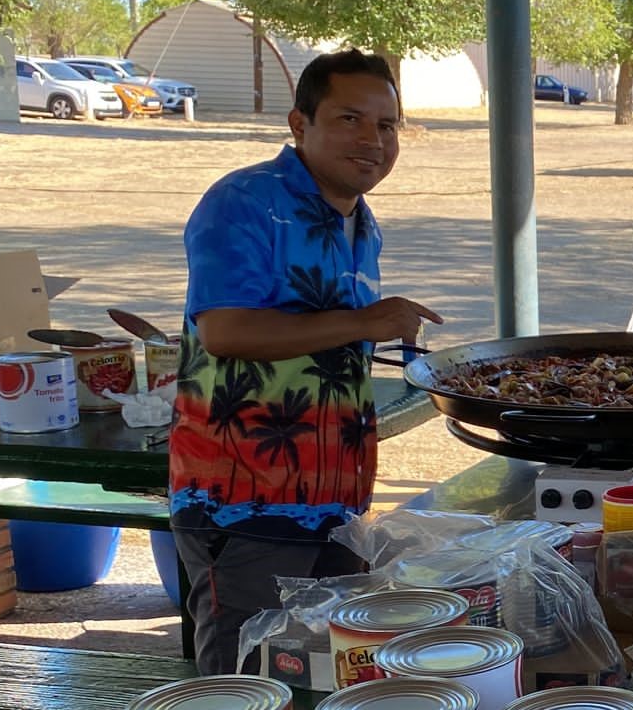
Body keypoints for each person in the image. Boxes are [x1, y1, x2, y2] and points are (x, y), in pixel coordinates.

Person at [168, 48, 442, 674]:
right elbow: (225, 331)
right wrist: (367, 322)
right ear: (299, 124)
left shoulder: (361, 223)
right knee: (243, 684)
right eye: (349, 119)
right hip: (245, 502)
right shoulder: (243, 201)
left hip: (336, 503)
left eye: (387, 125)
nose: (373, 140)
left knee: (327, 678)